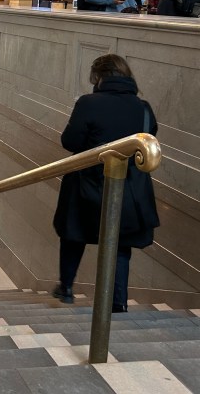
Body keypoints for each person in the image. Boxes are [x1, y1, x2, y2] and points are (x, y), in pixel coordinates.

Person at [52, 54, 159, 313]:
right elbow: (149, 138)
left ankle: (66, 288)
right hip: (127, 189)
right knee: (120, 244)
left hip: (86, 184)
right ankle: (117, 301)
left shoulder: (88, 103)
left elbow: (70, 141)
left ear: (98, 77)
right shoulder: (143, 108)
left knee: (74, 235)